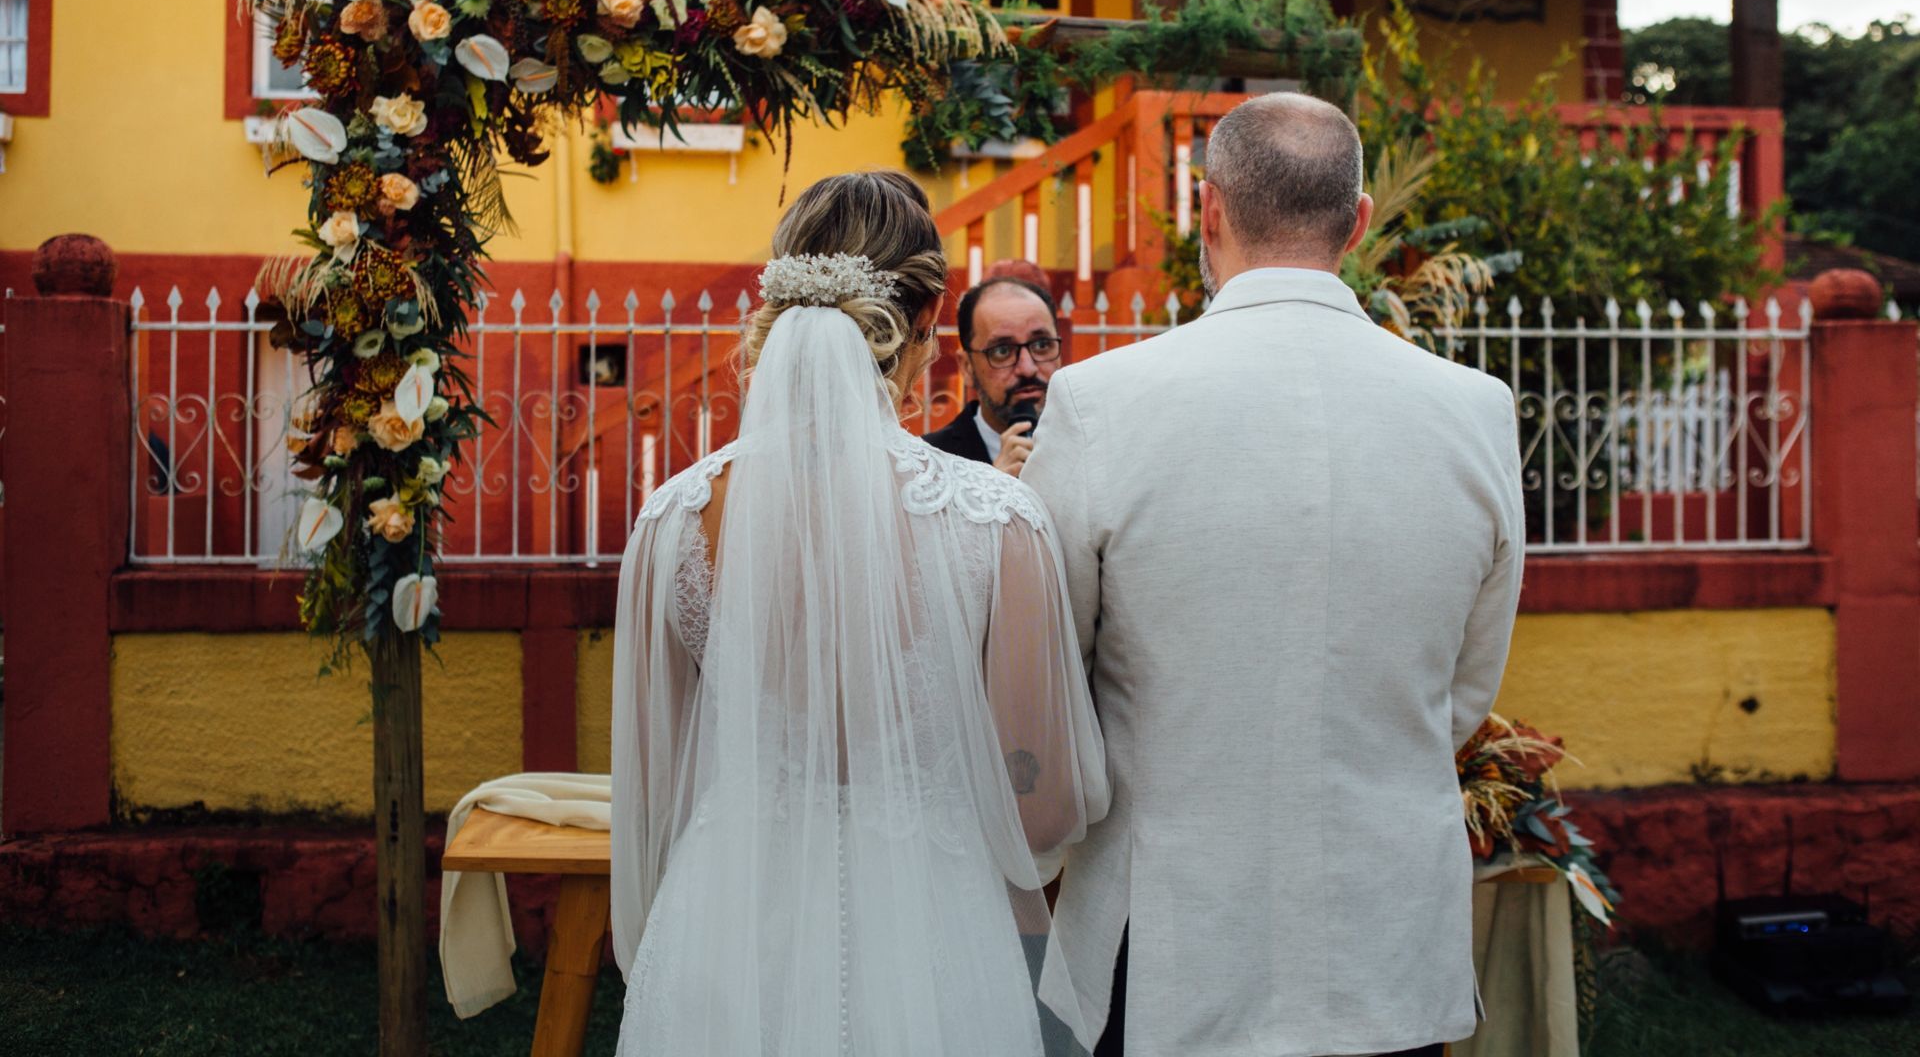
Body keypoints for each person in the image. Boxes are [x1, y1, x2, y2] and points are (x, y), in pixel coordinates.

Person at [1023, 94, 1524, 1057]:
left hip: (1167, 937)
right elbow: (1463, 694)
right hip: (1387, 944)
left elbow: (1050, 674)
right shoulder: (1475, 411)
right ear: (1361, 221)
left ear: (1206, 211)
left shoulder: (1101, 403)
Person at [610, 170, 1109, 1056]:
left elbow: (652, 795)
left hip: (726, 927)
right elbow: (1042, 804)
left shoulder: (672, 521)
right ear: (927, 326)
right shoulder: (997, 522)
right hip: (932, 930)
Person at [924, 273, 1063, 477]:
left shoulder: (1093, 445)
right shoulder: (930, 463)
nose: (1027, 368)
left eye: (1042, 345)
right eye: (1002, 351)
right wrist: (993, 488)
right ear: (967, 367)